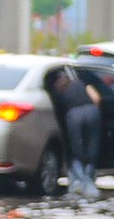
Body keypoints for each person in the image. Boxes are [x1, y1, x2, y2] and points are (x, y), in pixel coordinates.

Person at [43, 63, 104, 199]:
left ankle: (79, 183)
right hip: (92, 111)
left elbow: (59, 111)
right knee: (91, 149)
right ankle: (90, 182)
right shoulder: (81, 83)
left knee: (76, 151)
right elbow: (97, 98)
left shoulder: (56, 90)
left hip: (73, 114)